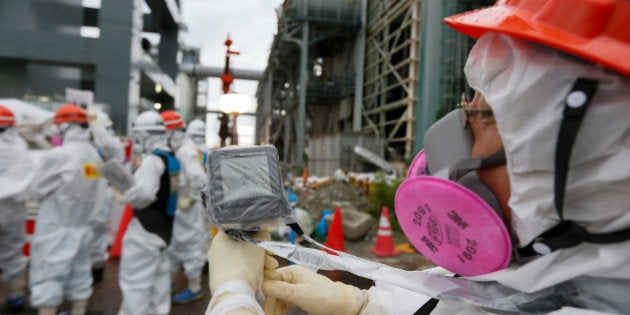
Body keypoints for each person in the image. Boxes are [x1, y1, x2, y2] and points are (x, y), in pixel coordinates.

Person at [206, 0, 630, 314]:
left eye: (483, 116)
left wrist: (233, 299)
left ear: (590, 163)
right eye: (466, 108)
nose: (456, 137)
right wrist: (361, 306)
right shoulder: (561, 275)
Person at [28, 104, 107, 315]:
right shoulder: (94, 156)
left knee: (48, 274)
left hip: (55, 226)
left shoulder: (58, 156)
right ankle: (78, 310)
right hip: (83, 226)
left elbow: (36, 191)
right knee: (80, 272)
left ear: (65, 127)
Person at [118, 110, 179, 315]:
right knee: (159, 281)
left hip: (145, 231)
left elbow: (144, 194)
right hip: (165, 229)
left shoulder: (152, 161)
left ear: (145, 135)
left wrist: (124, 194)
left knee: (135, 282)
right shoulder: (171, 157)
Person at [160, 111, 208, 303]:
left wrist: (187, 195)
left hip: (187, 208)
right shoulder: (180, 148)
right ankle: (170, 283)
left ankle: (194, 287)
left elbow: (198, 178)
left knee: (189, 247)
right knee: (174, 246)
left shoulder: (186, 150)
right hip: (179, 207)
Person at [0, 105, 34, 311]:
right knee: (13, 255)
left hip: (11, 207)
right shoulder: (20, 150)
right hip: (13, 210)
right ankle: (16, 295)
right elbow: (28, 185)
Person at [87, 108, 125, 284]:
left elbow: (116, 156)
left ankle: (96, 270)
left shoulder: (110, 144)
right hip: (90, 191)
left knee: (97, 231)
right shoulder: (89, 145)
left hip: (101, 191)